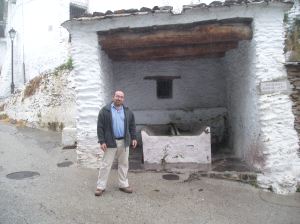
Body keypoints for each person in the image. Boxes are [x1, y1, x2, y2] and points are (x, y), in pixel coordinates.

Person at [95, 90, 137, 196]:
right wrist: (102, 141)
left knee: (124, 164)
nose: (119, 98)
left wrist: (134, 138)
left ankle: (123, 184)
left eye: (121, 97)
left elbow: (132, 125)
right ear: (113, 97)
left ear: (123, 99)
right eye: (117, 96)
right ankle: (100, 186)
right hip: (110, 142)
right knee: (106, 164)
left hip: (124, 141)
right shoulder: (105, 111)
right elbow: (100, 127)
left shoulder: (127, 111)